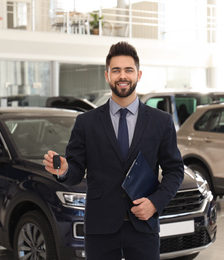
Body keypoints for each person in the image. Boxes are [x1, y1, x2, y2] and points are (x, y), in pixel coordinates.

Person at [43, 41, 184, 260]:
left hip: (143, 225)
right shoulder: (86, 122)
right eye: (116, 70)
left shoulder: (161, 122)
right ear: (107, 75)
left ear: (139, 74)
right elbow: (76, 170)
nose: (122, 76)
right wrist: (63, 170)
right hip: (101, 227)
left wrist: (156, 203)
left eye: (128, 70)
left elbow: (175, 170)